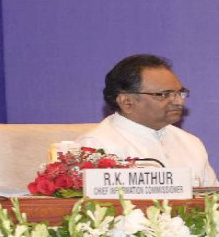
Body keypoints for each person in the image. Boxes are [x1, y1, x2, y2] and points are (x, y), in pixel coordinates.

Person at [77, 54, 218, 186]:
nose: (179, 101)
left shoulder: (190, 143)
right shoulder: (96, 148)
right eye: (163, 94)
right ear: (126, 102)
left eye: (180, 93)